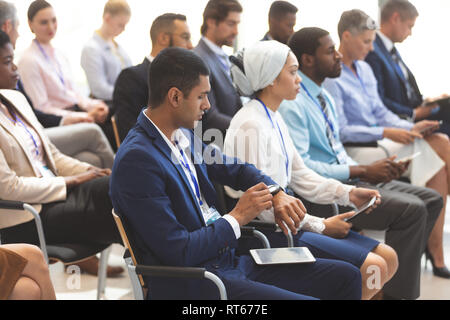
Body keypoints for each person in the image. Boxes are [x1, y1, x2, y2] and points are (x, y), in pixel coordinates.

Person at [110, 47, 363, 300]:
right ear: (175, 97)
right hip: (198, 283)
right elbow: (179, 251)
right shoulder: (138, 160)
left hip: (228, 263)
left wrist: (276, 193)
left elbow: (237, 169)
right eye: (201, 97)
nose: (208, 106)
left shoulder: (181, 134)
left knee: (347, 276)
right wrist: (238, 216)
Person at [223, 40, 397, 300]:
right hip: (267, 235)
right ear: (271, 79)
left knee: (388, 258)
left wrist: (349, 193)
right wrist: (321, 226)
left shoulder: (273, 116)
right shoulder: (250, 125)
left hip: (289, 226)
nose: (298, 80)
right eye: (292, 72)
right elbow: (264, 206)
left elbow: (300, 175)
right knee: (375, 267)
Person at [278, 26, 442, 299]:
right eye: (330, 51)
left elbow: (337, 150)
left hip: (350, 178)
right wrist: (363, 170)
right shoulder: (293, 103)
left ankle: (389, 284)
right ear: (308, 59)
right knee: (412, 210)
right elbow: (302, 168)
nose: (339, 56)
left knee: (432, 198)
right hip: (325, 190)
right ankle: (396, 295)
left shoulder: (323, 95)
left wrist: (376, 172)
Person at [323, 9, 450, 280]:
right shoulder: (334, 75)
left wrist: (408, 127)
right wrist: (388, 131)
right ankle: (433, 251)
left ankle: (430, 249)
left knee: (439, 163)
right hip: (359, 147)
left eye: (372, 41)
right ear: (346, 36)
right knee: (440, 145)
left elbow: (380, 111)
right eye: (366, 42)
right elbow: (342, 128)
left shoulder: (366, 69)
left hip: (381, 140)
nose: (371, 48)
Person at [0, 31, 123, 277]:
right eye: (6, 62)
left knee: (120, 188)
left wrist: (87, 171)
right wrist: (70, 181)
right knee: (119, 202)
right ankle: (161, 271)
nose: (15, 67)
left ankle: (157, 272)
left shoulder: (15, 99)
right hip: (27, 217)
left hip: (53, 198)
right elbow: (8, 188)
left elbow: (52, 155)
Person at [0, 1, 114, 169]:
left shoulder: (59, 54)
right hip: (44, 125)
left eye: (54, 20)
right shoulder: (27, 61)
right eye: (44, 22)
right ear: (28, 25)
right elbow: (39, 109)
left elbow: (73, 93)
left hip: (61, 116)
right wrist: (82, 117)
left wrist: (92, 106)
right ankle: (126, 182)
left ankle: (111, 186)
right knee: (95, 131)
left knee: (91, 158)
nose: (51, 26)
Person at [365, 0, 450, 136]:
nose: (410, 33)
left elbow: (406, 88)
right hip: (403, 118)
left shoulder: (391, 50)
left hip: (416, 109)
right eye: (410, 26)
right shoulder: (372, 51)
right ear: (396, 18)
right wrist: (414, 113)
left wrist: (429, 100)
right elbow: (378, 100)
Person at [113, 13, 193, 142]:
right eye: (185, 37)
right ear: (163, 38)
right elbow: (130, 133)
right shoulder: (131, 78)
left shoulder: (185, 80)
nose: (190, 46)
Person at [193, 0, 243, 139]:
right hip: (215, 147)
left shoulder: (226, 57)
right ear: (211, 22)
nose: (236, 31)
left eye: (237, 24)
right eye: (231, 24)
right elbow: (210, 116)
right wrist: (250, 127)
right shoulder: (198, 59)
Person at [81, 0, 132, 102]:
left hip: (123, 101)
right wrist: (127, 94)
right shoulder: (91, 49)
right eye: (120, 25)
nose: (123, 29)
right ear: (107, 18)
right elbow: (99, 89)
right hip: (107, 105)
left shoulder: (117, 47)